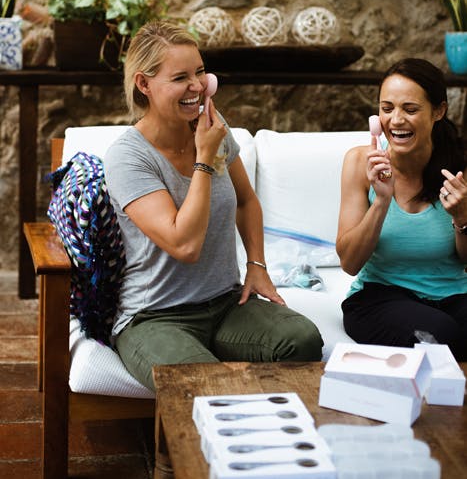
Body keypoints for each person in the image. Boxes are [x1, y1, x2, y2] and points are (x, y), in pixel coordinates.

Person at [104, 20, 323, 390]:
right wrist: (204, 159)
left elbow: (247, 201)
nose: (196, 86)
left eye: (200, 72)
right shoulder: (128, 157)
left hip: (224, 305)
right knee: (204, 383)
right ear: (144, 84)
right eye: (180, 78)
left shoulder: (213, 127)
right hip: (154, 317)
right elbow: (184, 245)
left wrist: (257, 266)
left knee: (302, 339)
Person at [337, 57, 467, 360]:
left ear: (439, 111)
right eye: (387, 109)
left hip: (454, 294)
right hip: (378, 298)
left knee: (449, 330)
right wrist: (381, 200)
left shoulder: (460, 169)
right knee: (442, 335)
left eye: (410, 109)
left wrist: (462, 217)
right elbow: (349, 263)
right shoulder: (359, 162)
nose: (395, 120)